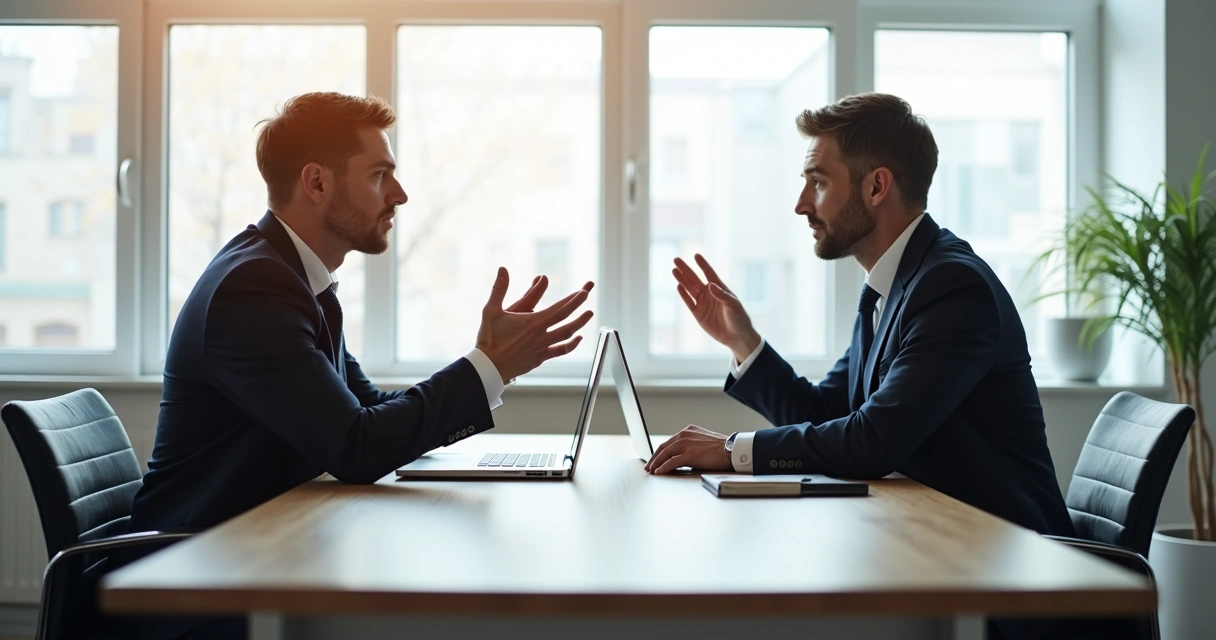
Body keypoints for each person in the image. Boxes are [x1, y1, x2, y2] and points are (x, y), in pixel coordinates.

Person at [123, 92, 593, 639]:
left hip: (261, 554)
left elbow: (368, 412)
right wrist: (485, 367)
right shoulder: (254, 289)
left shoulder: (294, 279)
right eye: (379, 176)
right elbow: (357, 447)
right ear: (317, 183)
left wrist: (488, 366)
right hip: (206, 580)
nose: (399, 194)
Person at [645, 92, 1074, 536]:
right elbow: (828, 411)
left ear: (876, 186)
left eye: (819, 182)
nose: (801, 204)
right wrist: (744, 342)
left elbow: (872, 442)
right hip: (934, 538)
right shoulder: (893, 284)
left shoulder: (951, 288)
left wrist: (735, 450)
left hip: (1013, 559)